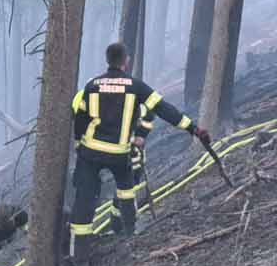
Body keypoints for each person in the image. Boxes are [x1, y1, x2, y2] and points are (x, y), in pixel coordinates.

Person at [69, 41, 207, 254]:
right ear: (126, 61)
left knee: (84, 201)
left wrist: (79, 145)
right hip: (118, 153)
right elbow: (164, 109)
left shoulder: (92, 86)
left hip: (91, 152)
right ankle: (130, 233)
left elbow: (80, 118)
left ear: (108, 61)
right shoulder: (135, 86)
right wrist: (193, 128)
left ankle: (79, 258)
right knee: (126, 190)